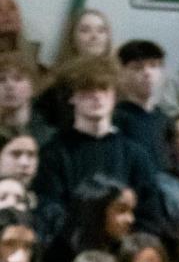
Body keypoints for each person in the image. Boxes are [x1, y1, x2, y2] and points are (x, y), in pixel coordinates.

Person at [35, 55, 163, 241]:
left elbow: (149, 213)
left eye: (104, 88)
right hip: (71, 253)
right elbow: (49, 210)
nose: (97, 96)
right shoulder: (53, 154)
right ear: (72, 97)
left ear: (114, 96)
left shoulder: (136, 154)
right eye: (87, 89)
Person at [113, 40, 169, 170]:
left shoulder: (165, 119)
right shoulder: (116, 119)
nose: (147, 73)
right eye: (138, 67)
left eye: (154, 66)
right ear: (122, 73)